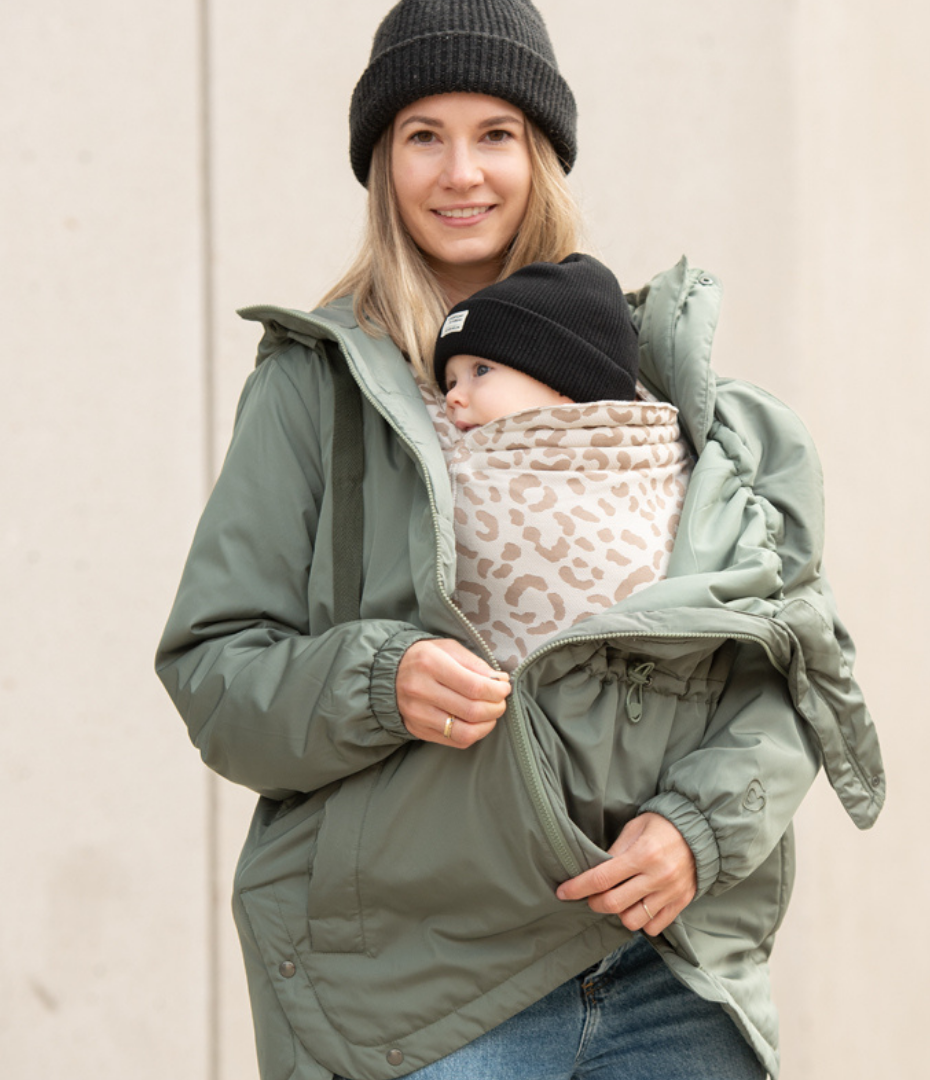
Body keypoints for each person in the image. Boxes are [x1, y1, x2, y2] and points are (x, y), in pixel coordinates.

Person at [155, 2, 886, 1079]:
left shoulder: (655, 388)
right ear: (381, 162)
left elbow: (792, 661)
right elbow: (217, 673)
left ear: (540, 152)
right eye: (424, 136)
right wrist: (377, 682)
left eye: (495, 133)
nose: (462, 173)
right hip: (423, 994)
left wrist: (701, 828)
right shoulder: (313, 388)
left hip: (668, 979)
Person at [433, 251, 693, 672]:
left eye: (480, 370)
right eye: (450, 381)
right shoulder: (457, 466)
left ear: (561, 378)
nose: (453, 397)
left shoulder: (664, 456)